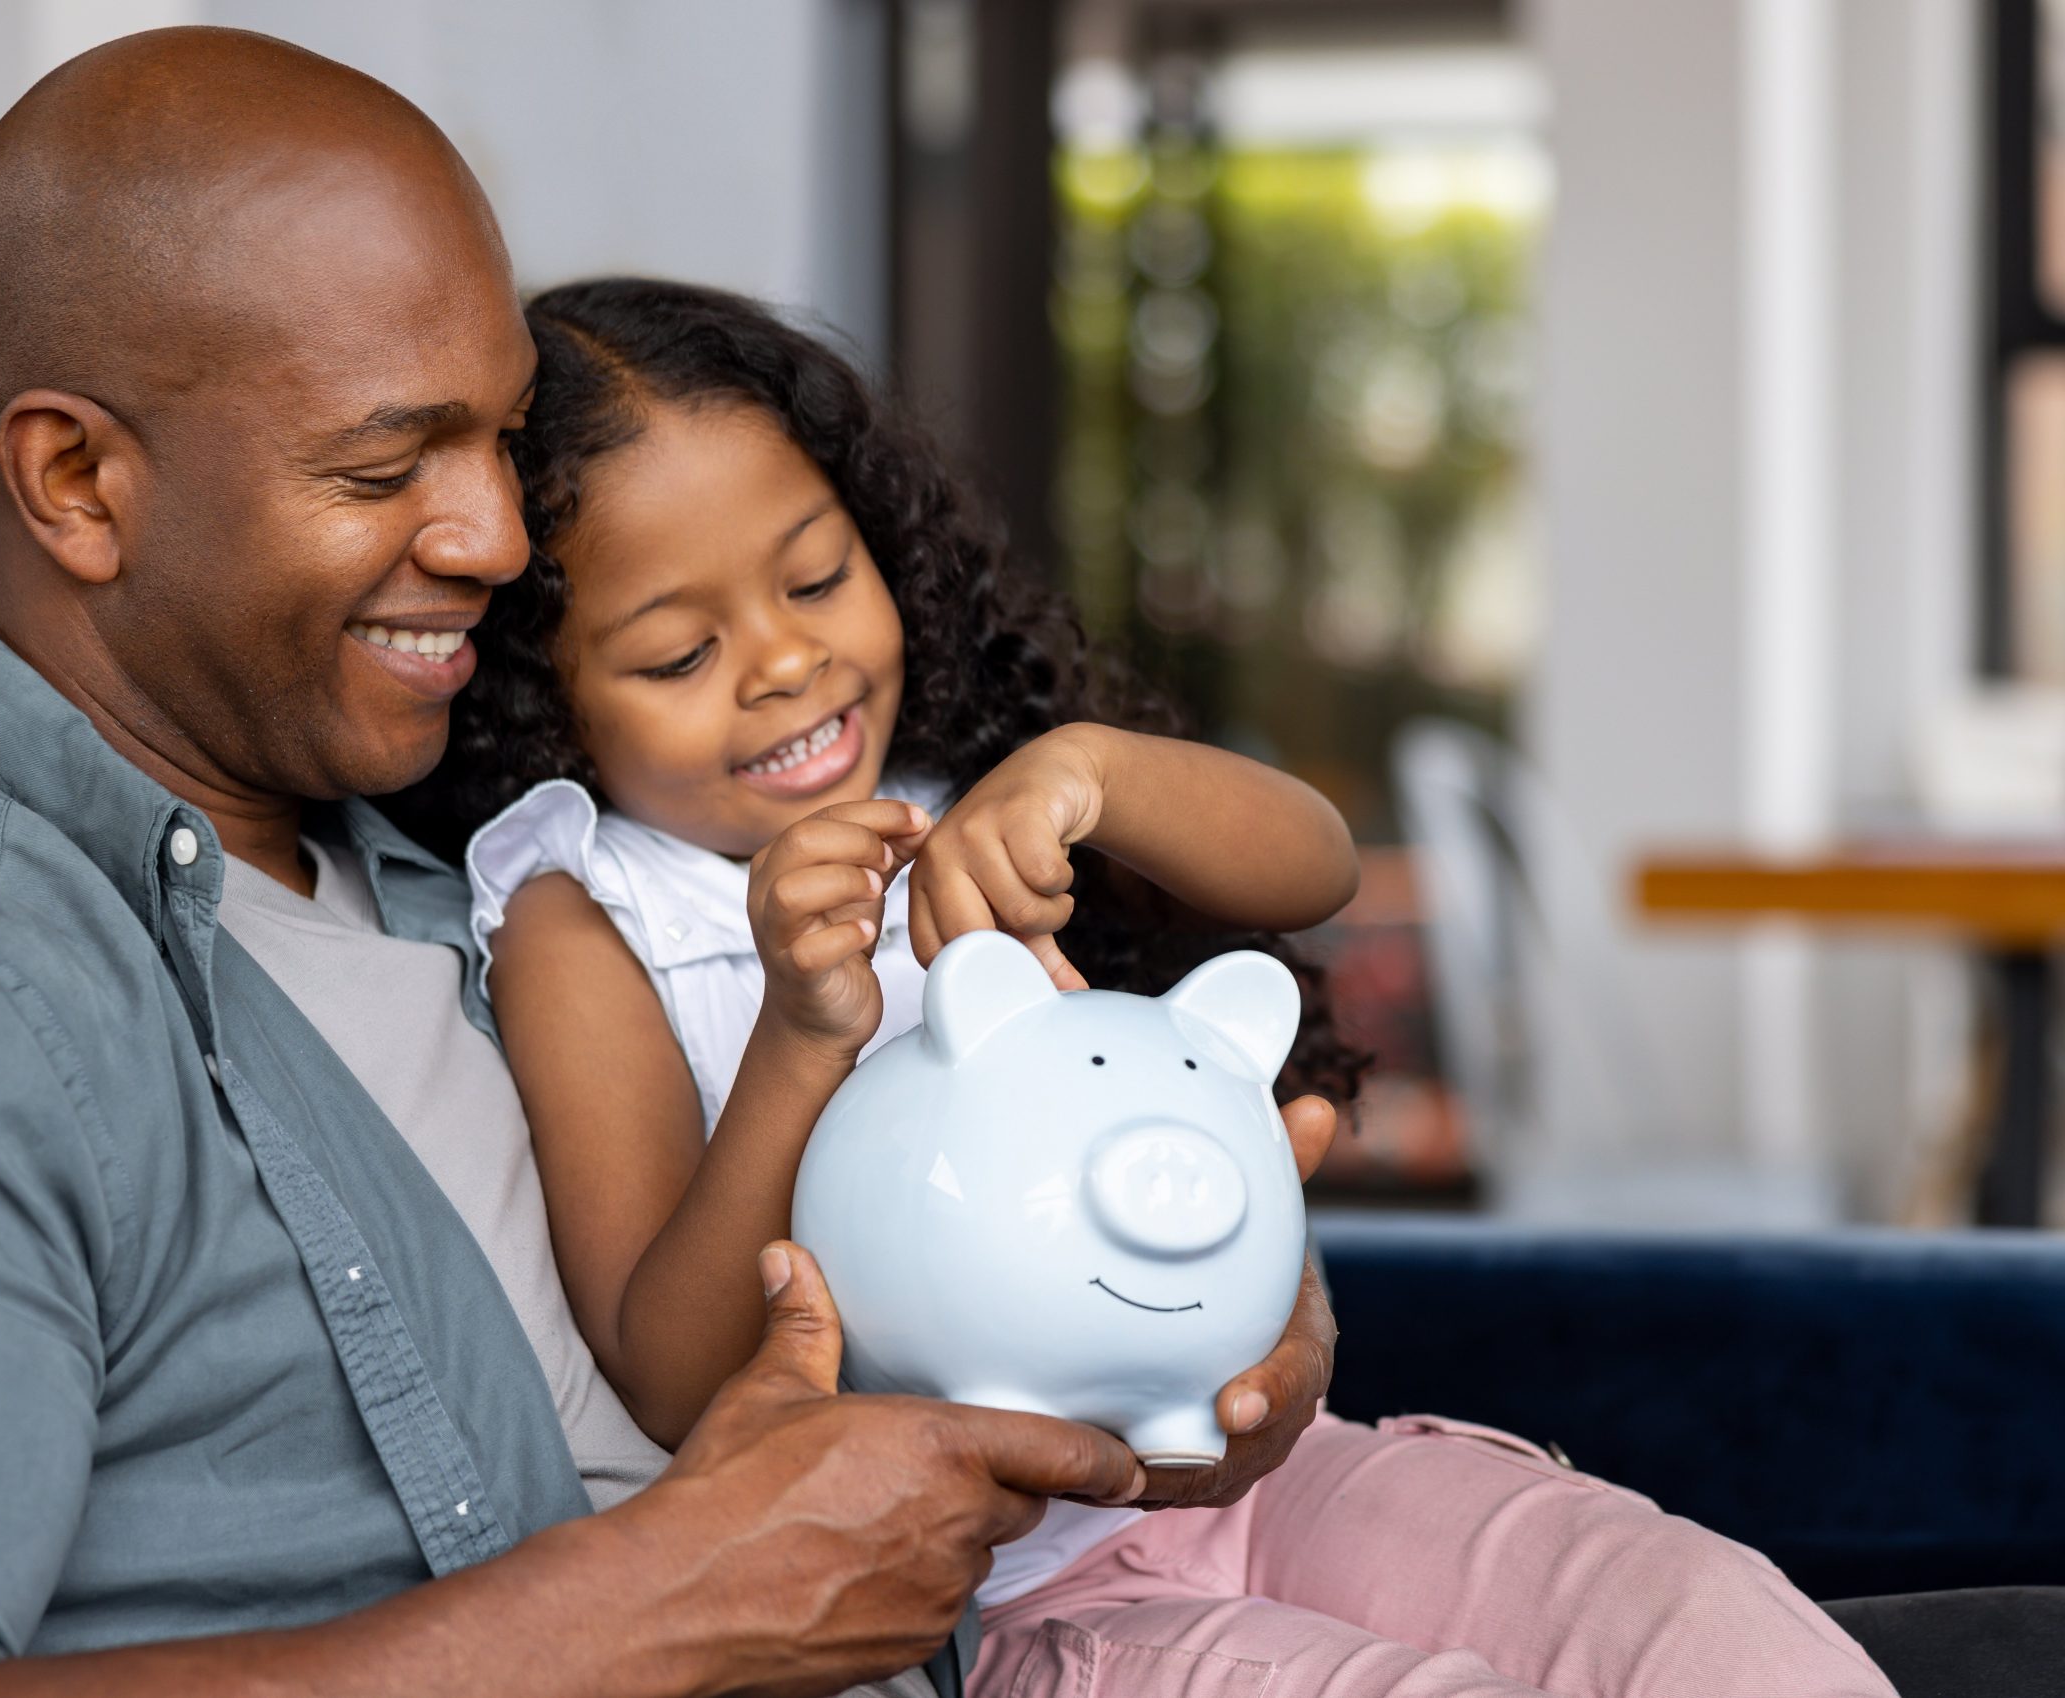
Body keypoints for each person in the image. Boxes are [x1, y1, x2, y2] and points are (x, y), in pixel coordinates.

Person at [0, 29, 1339, 1698]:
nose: (498, 539)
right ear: (74, 479)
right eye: (381, 462)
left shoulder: (479, 849)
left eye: (498, 435)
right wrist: (678, 1601)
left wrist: (1201, 1301)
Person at [409, 278, 1898, 1698]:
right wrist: (807, 1032)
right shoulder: (584, 915)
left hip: (1278, 1470)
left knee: (1690, 1611)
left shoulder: (962, 794)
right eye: (679, 652)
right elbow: (670, 1371)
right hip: (1013, 1589)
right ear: (544, 690)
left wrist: (1090, 772)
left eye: (816, 575)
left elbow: (1308, 864)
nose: (789, 661)